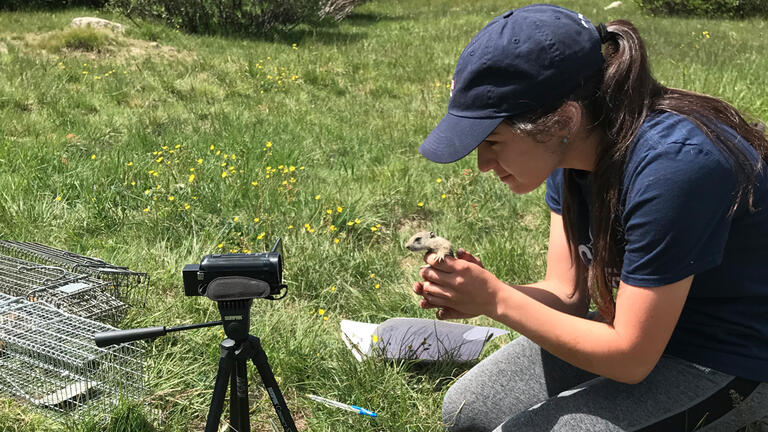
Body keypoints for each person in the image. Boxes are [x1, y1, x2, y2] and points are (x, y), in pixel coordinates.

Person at [412, 4, 768, 431]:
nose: (483, 164)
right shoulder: (572, 155)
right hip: (644, 329)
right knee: (468, 409)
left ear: (564, 119)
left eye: (492, 141)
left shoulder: (674, 169)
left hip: (730, 354)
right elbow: (566, 294)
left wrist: (497, 301)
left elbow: (631, 358)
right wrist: (483, 294)